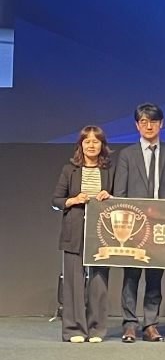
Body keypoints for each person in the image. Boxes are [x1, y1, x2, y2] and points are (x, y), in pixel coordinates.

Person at [114, 103, 165, 343]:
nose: (148, 126)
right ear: (136, 125)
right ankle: (129, 324)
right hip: (133, 226)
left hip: (161, 224)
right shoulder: (127, 154)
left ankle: (150, 324)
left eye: (153, 121)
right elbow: (120, 192)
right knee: (131, 277)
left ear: (161, 124)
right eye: (143, 121)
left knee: (155, 278)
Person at [51, 125, 114, 343]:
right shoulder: (70, 170)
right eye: (87, 141)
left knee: (99, 281)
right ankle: (74, 329)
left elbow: (119, 198)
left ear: (102, 145)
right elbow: (56, 200)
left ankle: (96, 329)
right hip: (74, 231)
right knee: (73, 281)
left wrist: (109, 196)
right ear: (81, 145)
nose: (91, 145)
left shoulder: (109, 170)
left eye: (96, 141)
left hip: (101, 232)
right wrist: (74, 200)